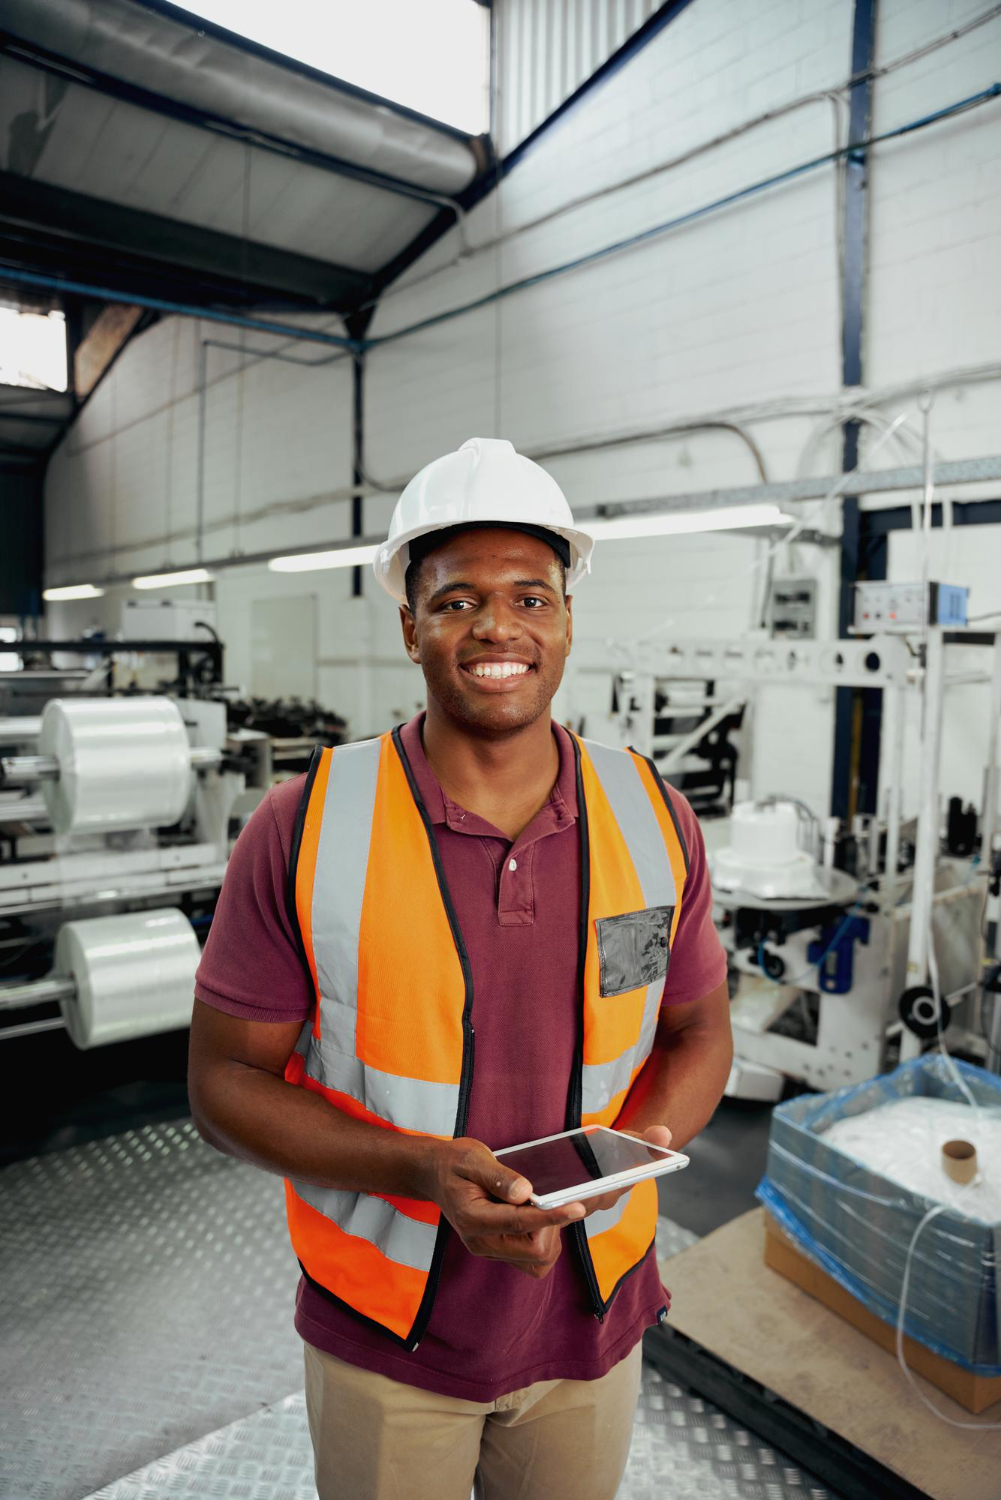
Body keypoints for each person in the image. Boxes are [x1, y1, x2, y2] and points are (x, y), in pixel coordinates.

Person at [188, 437, 733, 1500]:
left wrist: (636, 1151)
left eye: (531, 596)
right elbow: (221, 1086)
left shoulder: (650, 814)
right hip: (388, 1340)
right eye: (455, 601)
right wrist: (420, 1173)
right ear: (409, 626)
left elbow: (696, 1032)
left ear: (566, 620)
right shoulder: (305, 825)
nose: (496, 627)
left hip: (592, 1320)